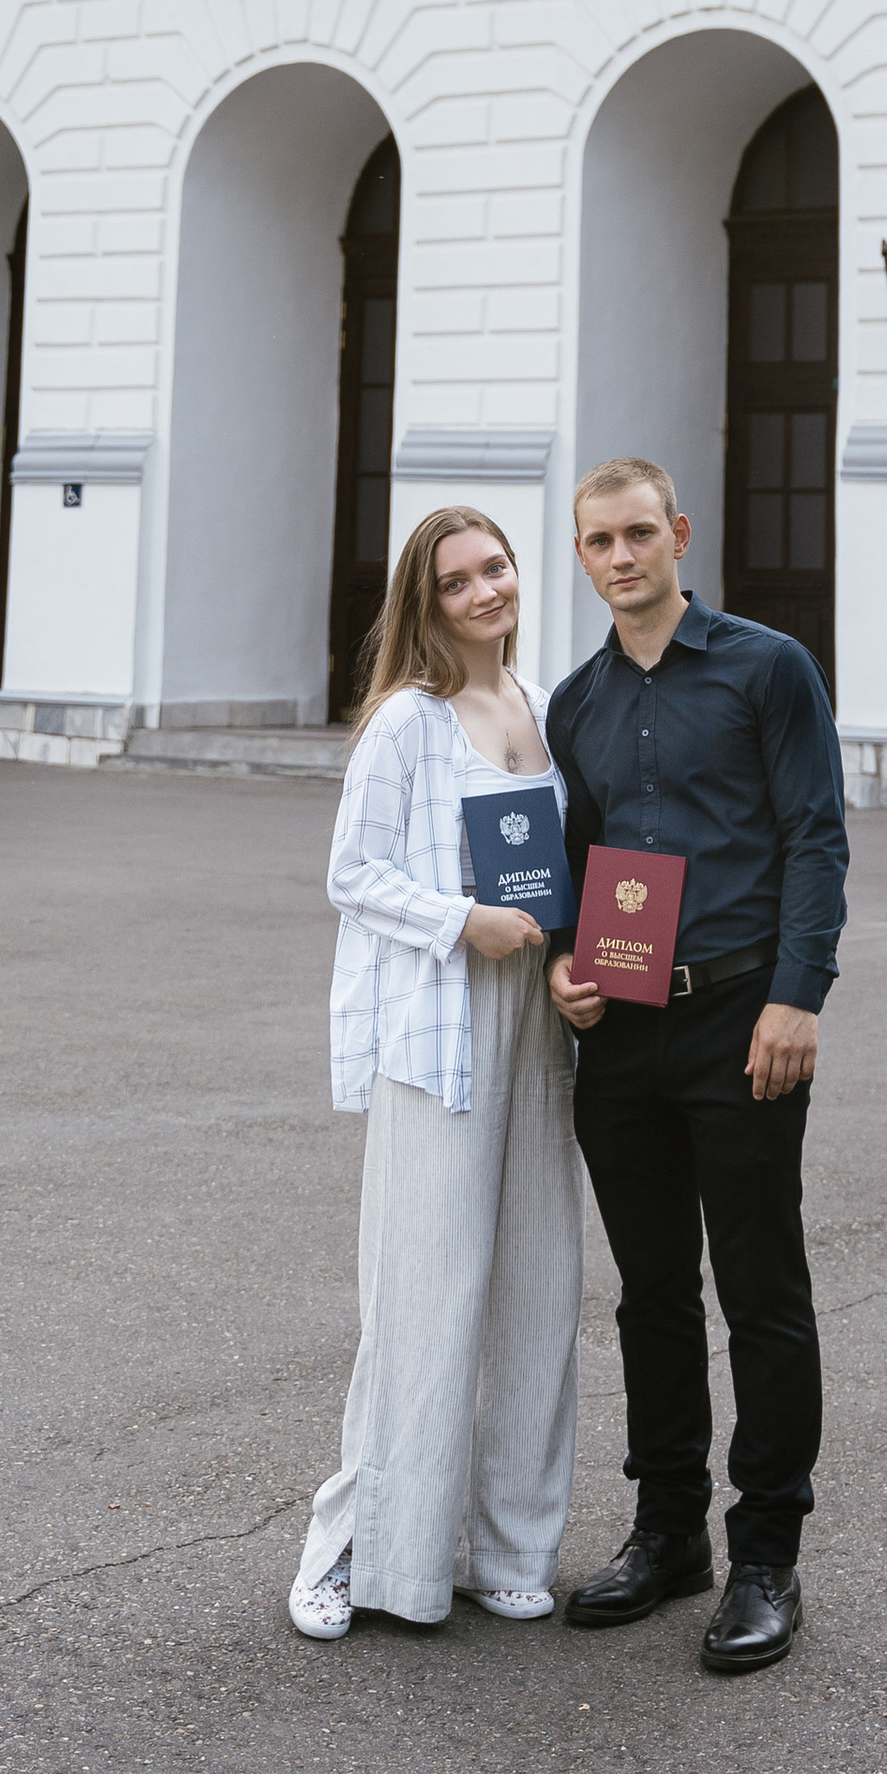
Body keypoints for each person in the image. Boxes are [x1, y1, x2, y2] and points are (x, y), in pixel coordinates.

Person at [545, 455, 848, 1676]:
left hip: (740, 1020)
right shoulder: (574, 703)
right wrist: (561, 964)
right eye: (597, 541)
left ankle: (766, 1555)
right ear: (581, 556)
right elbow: (575, 861)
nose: (620, 557)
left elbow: (814, 837)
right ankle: (669, 1531)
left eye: (637, 534)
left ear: (677, 533)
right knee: (653, 1294)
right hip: (622, 1031)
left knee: (761, 1291)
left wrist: (796, 997)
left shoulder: (767, 668)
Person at [288, 505, 583, 1641]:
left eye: (494, 568)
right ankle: (359, 1554)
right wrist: (464, 921)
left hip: (538, 1029)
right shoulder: (406, 722)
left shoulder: (546, 707)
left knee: (537, 1291)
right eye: (457, 581)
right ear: (427, 600)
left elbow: (566, 875)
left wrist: (572, 963)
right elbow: (351, 874)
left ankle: (510, 1548)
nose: (484, 591)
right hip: (441, 1032)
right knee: (422, 1298)